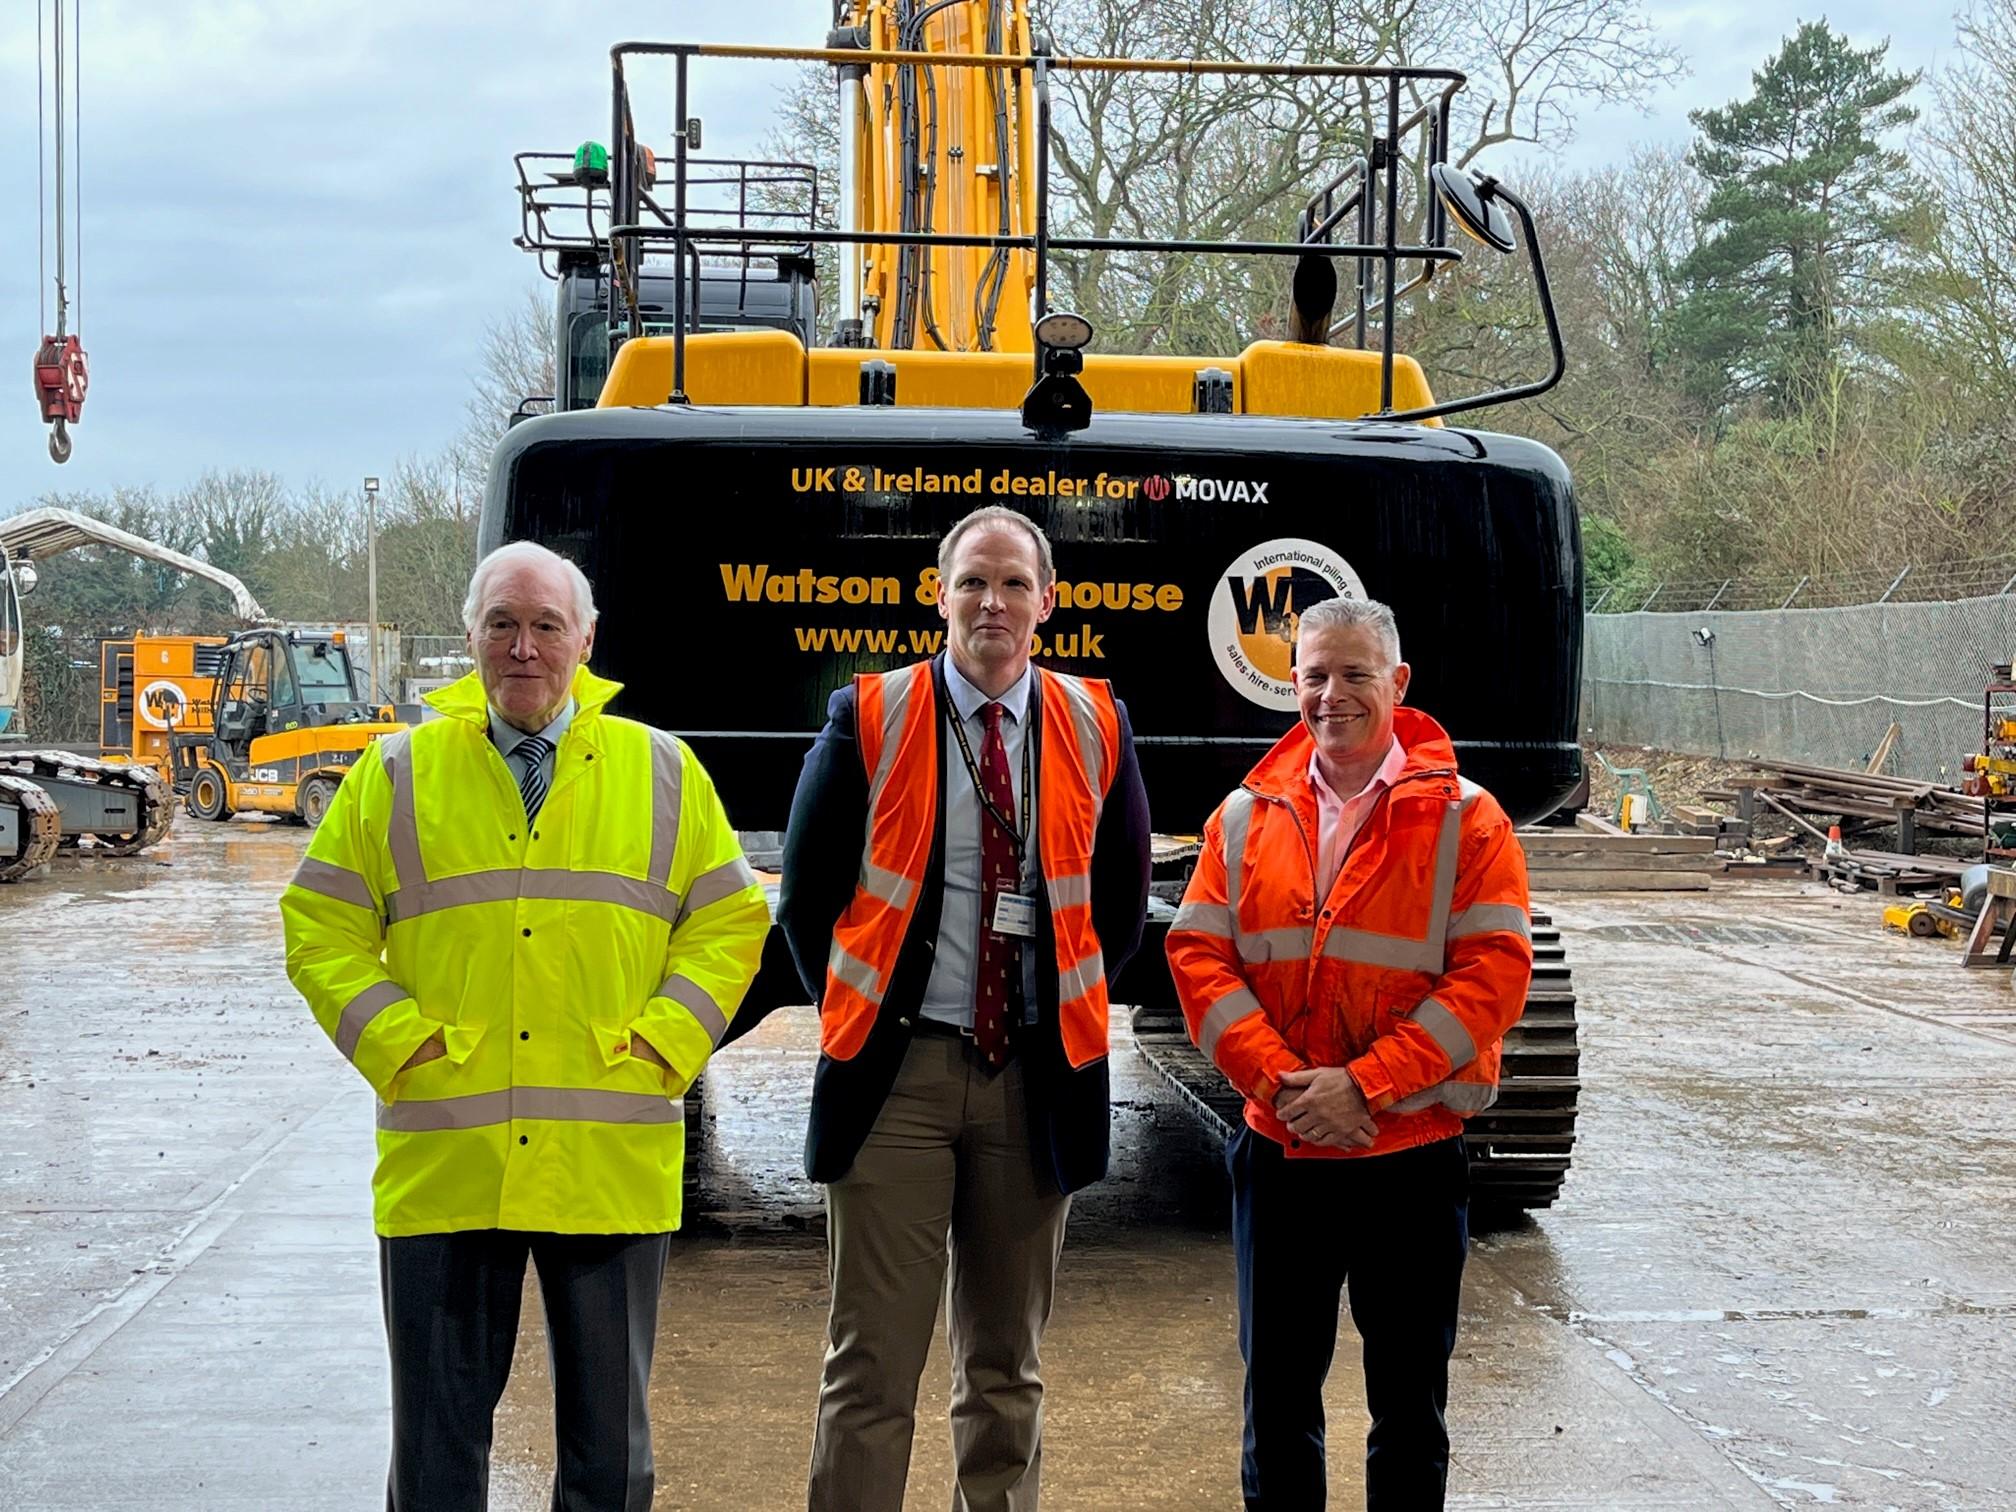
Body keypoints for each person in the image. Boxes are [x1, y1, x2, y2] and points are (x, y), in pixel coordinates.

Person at [280, 540, 769, 1512]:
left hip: (607, 1151)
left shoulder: (662, 770)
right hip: (448, 1153)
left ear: (586, 639)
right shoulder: (396, 775)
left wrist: (667, 1044)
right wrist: (398, 1043)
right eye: (502, 622)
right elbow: (319, 924)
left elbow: (730, 922)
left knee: (608, 1461)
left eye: (547, 624)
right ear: (470, 636)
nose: (523, 646)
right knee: (435, 1453)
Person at [781, 504, 1152, 1512]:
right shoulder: (869, 716)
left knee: (1005, 1369)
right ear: (937, 595)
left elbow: (1118, 915)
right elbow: (806, 903)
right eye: (974, 583)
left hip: (1033, 1081)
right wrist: (863, 1018)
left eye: (1015, 584)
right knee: (870, 1370)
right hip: (897, 1079)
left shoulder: (1097, 722)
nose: (994, 603)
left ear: (1049, 600)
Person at [1164, 595, 1533, 1511]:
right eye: (1316, 676)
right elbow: (1199, 957)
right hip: (1283, 1151)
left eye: (1355, 674)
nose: (1333, 695)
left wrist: (1365, 1087)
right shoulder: (1245, 816)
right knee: (1278, 1400)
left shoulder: (1467, 820)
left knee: (1409, 1408)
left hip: (1407, 1156)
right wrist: (1287, 1085)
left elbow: (1492, 980)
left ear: (1397, 683)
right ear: (1293, 685)